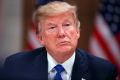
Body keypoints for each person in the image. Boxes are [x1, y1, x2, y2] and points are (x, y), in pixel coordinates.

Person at [3, 1, 117, 80]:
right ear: (41, 38)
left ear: (77, 31)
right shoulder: (16, 66)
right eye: (52, 27)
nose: (61, 33)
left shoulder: (103, 71)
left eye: (67, 25)